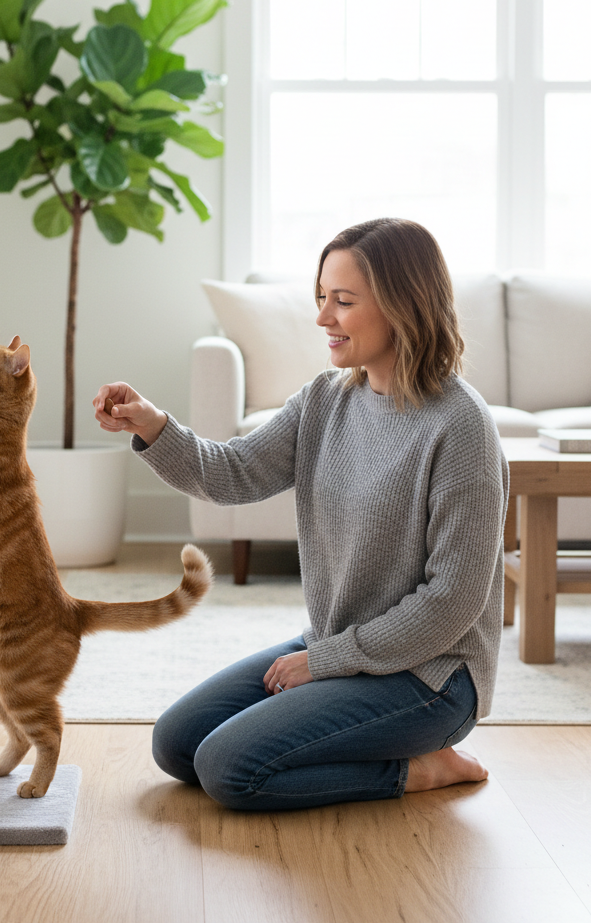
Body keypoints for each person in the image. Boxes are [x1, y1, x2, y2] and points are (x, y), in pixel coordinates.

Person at [92, 218, 508, 811]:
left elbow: (451, 602)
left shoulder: (461, 427)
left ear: (403, 305)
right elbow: (232, 472)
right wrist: (153, 425)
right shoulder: (325, 400)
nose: (322, 318)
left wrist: (323, 662)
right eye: (321, 297)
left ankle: (417, 770)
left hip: (431, 678)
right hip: (342, 647)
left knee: (228, 769)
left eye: (343, 301)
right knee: (177, 744)